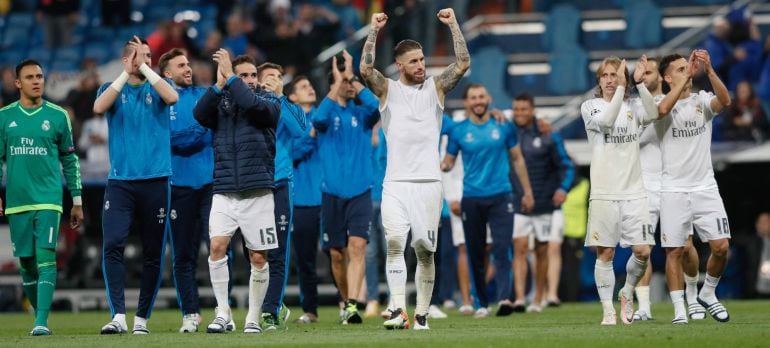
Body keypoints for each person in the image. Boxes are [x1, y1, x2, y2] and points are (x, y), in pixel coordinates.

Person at [360, 8, 470, 330]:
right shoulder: (388, 91)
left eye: (422, 60)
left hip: (429, 184)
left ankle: (420, 313)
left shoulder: (436, 88)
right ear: (400, 66)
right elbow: (366, 68)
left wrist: (452, 25)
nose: (421, 66)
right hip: (394, 183)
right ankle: (398, 310)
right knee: (395, 244)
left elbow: (462, 64)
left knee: (424, 250)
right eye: (414, 61)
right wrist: (373, 31)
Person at [93, 36, 179, 335]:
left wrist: (145, 67)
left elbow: (173, 98)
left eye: (149, 56)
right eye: (139, 56)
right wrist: (125, 71)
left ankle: (142, 318)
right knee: (113, 244)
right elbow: (98, 107)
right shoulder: (112, 90)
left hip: (155, 181)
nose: (145, 60)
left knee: (153, 251)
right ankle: (118, 315)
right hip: (120, 183)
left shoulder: (157, 89)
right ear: (125, 60)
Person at [193, 51, 281, 334]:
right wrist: (219, 85)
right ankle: (223, 312)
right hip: (225, 190)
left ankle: (253, 317)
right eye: (244, 75)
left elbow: (252, 105)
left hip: (258, 192)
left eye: (252, 75)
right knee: (217, 248)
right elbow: (198, 113)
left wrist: (230, 77)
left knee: (258, 257)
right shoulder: (222, 103)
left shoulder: (268, 101)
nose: (250, 80)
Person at [0, 59, 83, 336]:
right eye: (30, 77)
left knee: (45, 258)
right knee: (26, 262)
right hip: (17, 201)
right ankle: (39, 316)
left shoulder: (58, 116)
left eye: (40, 76)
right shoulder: (4, 117)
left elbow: (70, 160)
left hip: (48, 199)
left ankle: (41, 322)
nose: (37, 81)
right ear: (18, 83)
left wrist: (77, 200)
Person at [441, 84, 534, 318]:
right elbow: (448, 163)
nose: (478, 101)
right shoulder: (458, 131)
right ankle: (481, 303)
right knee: (475, 252)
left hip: (502, 195)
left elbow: (518, 159)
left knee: (502, 249)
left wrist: (527, 191)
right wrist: (440, 166)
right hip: (471, 198)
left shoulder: (503, 125)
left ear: (489, 98)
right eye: (473, 97)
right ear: (466, 103)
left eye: (482, 96)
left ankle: (504, 299)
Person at [580, 55, 658, 325]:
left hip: (634, 191)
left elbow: (655, 114)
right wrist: (625, 87)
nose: (612, 80)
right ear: (599, 81)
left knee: (643, 251)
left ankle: (626, 292)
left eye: (616, 75)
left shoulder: (634, 106)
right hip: (603, 192)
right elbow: (606, 122)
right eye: (606, 75)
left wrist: (641, 84)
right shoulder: (590, 106)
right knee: (606, 253)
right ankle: (608, 310)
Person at [656, 50, 732, 324]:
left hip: (705, 187)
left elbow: (725, 101)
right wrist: (680, 83)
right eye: (679, 69)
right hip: (673, 189)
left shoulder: (701, 101)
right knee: (676, 250)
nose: (686, 70)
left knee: (721, 247)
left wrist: (710, 71)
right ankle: (681, 308)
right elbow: (663, 110)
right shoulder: (658, 102)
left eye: (687, 67)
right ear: (666, 77)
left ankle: (707, 293)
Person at [632, 57, 705, 322]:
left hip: (674, 182)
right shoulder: (632, 106)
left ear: (661, 77)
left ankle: (693, 297)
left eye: (650, 71)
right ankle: (643, 306)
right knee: (642, 249)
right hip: (644, 185)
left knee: (685, 246)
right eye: (643, 72)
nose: (646, 75)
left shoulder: (675, 103)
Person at [313, 50, 379, 325]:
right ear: (334, 85)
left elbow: (377, 105)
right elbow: (317, 120)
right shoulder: (327, 114)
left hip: (361, 191)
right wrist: (335, 84)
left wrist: (352, 74)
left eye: (352, 82)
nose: (350, 85)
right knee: (337, 255)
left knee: (357, 247)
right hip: (331, 193)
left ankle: (352, 304)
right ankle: (345, 300)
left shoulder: (363, 114)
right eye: (345, 82)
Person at [158, 48, 213, 333]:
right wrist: (202, 126)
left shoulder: (205, 94)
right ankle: (190, 313)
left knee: (218, 249)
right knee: (183, 255)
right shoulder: (161, 100)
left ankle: (222, 310)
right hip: (178, 186)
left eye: (189, 64)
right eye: (181, 65)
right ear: (167, 74)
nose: (188, 68)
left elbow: (198, 134)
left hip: (210, 185)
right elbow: (174, 139)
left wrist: (197, 129)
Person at [510, 93, 575, 313]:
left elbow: (567, 165)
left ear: (533, 110)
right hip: (518, 203)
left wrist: (562, 188)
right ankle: (519, 298)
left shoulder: (549, 135)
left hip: (545, 203)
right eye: (516, 109)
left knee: (541, 251)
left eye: (524, 109)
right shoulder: (508, 132)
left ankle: (538, 298)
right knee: (518, 248)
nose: (520, 113)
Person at [256, 62, 307, 330]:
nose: (276, 80)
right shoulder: (251, 106)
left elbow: (300, 131)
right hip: (253, 183)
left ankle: (270, 308)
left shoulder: (290, 107)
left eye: (279, 76)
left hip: (280, 184)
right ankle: (262, 303)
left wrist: (278, 99)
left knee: (278, 251)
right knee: (254, 250)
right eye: (270, 77)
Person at [287, 75, 323, 324]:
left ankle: (347, 305)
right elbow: (292, 153)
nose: (309, 88)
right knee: (306, 259)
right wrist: (312, 133)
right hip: (302, 199)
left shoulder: (327, 115)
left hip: (331, 194)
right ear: (292, 97)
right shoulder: (289, 122)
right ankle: (310, 310)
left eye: (310, 85)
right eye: (303, 87)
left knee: (339, 253)